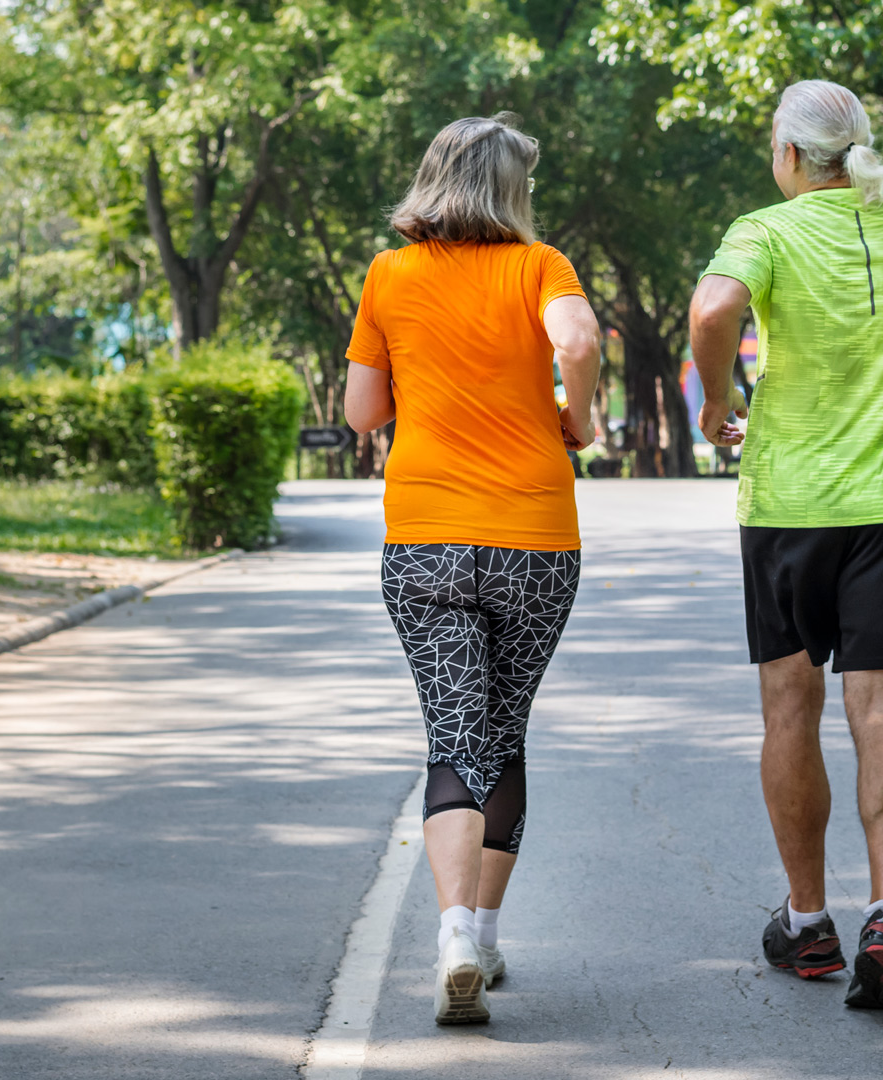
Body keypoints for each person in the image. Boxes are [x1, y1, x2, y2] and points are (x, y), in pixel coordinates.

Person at [686, 80, 883, 1011]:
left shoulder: (766, 231)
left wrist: (716, 401)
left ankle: (810, 923)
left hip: (787, 508)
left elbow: (710, 314)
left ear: (788, 155)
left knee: (790, 709)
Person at [344, 113, 601, 1026]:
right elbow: (575, 342)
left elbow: (364, 412)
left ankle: (453, 932)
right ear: (510, 190)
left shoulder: (389, 273)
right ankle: (486, 935)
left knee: (456, 734)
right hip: (535, 538)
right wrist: (580, 416)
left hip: (425, 541)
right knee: (505, 729)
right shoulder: (543, 267)